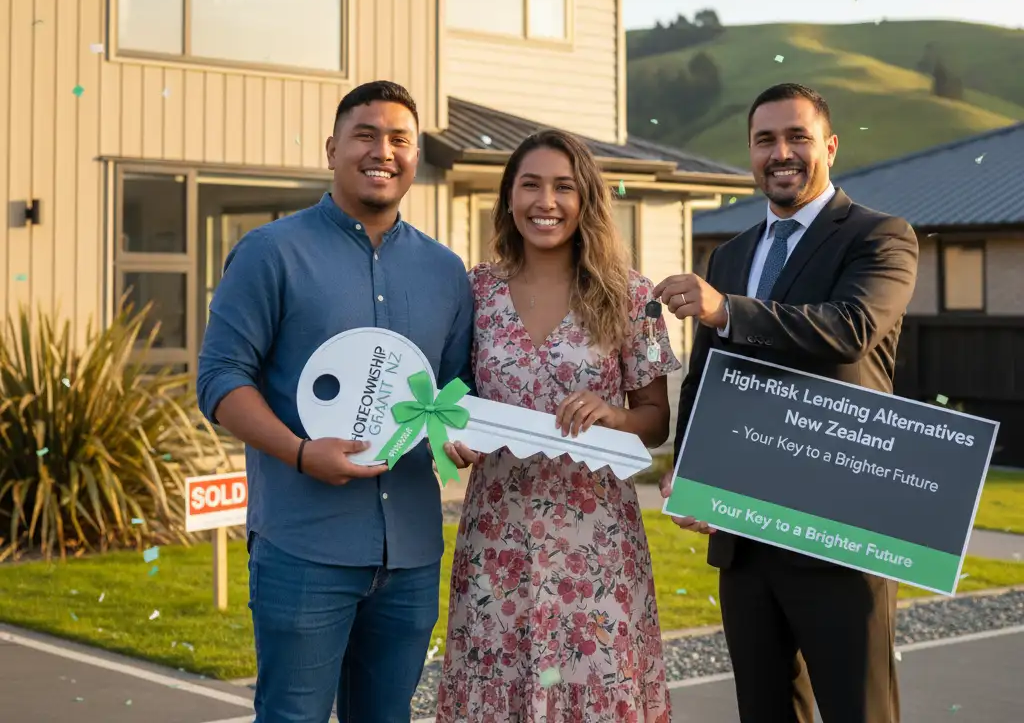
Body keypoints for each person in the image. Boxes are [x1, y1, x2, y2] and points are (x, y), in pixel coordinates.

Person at [196, 80, 474, 723]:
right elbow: (219, 380)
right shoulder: (271, 253)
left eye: (400, 139)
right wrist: (299, 452)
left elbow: (454, 390)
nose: (384, 151)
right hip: (303, 547)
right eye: (366, 135)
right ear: (332, 149)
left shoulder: (445, 271)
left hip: (409, 553)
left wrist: (458, 434)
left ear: (416, 158)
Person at [655, 82, 919, 723]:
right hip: (743, 533)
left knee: (860, 711)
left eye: (797, 136)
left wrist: (728, 309)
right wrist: (689, 469)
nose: (781, 153)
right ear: (751, 152)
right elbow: (707, 373)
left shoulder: (880, 236)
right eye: (765, 140)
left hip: (837, 526)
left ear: (828, 146)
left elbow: (849, 328)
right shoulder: (732, 252)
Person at [434, 128, 679, 723]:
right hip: (498, 533)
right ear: (508, 198)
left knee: (595, 686)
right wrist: (450, 441)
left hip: (595, 540)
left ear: (587, 199)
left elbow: (656, 421)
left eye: (564, 187)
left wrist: (612, 415)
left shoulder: (631, 295)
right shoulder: (475, 292)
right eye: (531, 185)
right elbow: (446, 401)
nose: (546, 201)